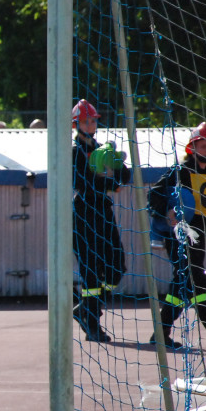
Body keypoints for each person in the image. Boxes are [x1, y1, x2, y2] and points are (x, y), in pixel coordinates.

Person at [148, 121, 206, 350]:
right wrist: (167, 213)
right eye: (204, 146)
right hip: (179, 238)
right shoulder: (181, 171)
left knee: (181, 287)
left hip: (197, 239)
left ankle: (160, 334)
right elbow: (154, 195)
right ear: (192, 148)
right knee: (198, 285)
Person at [70, 99, 130, 342]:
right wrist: (110, 184)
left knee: (117, 266)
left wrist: (117, 164)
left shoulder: (102, 148)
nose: (91, 124)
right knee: (92, 272)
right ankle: (92, 324)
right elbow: (81, 183)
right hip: (84, 214)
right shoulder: (74, 152)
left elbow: (124, 175)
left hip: (104, 212)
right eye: (86, 121)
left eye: (93, 120)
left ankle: (85, 309)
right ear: (76, 124)